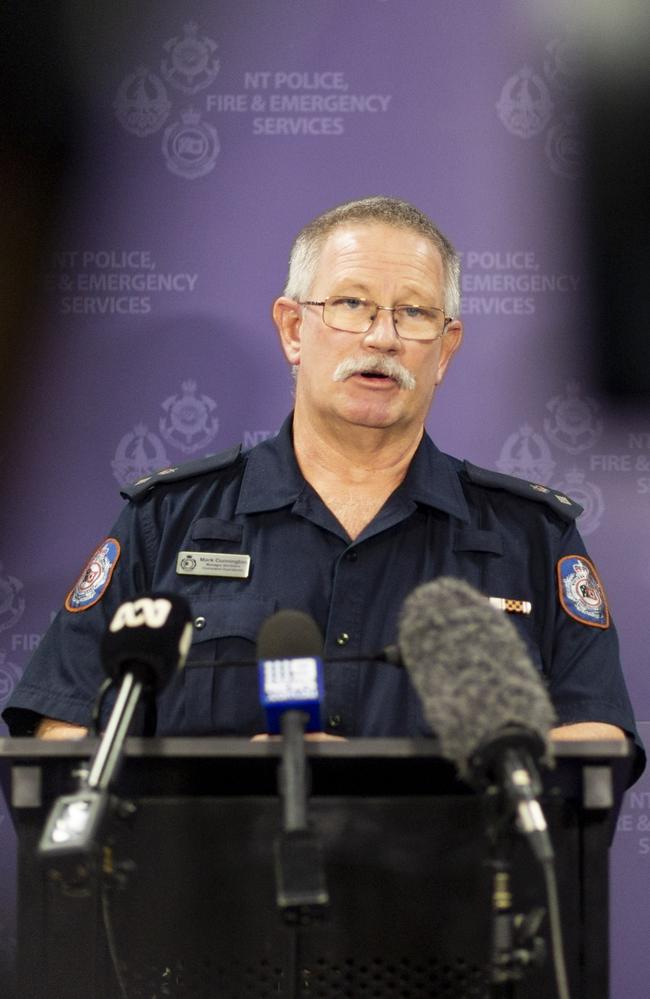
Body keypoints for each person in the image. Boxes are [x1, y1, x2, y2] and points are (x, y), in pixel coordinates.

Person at [3, 196, 644, 778]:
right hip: (205, 892)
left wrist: (393, 792)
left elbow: (596, 744)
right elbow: (61, 726)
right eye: (350, 304)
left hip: (447, 897)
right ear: (292, 328)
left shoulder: (530, 537)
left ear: (445, 350)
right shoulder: (165, 522)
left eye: (413, 313)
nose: (382, 336)